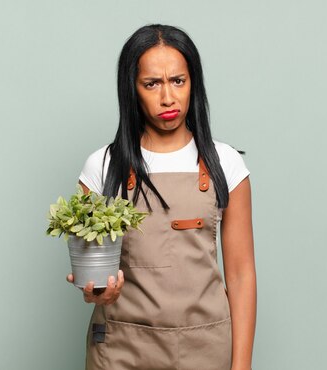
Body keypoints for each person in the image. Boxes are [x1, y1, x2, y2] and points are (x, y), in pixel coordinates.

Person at [67, 24, 256, 370]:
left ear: (193, 83)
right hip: (121, 348)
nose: (167, 97)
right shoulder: (103, 166)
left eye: (178, 81)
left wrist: (241, 366)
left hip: (206, 349)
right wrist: (95, 290)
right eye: (152, 83)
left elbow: (241, 275)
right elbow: (90, 273)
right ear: (132, 89)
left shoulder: (226, 163)